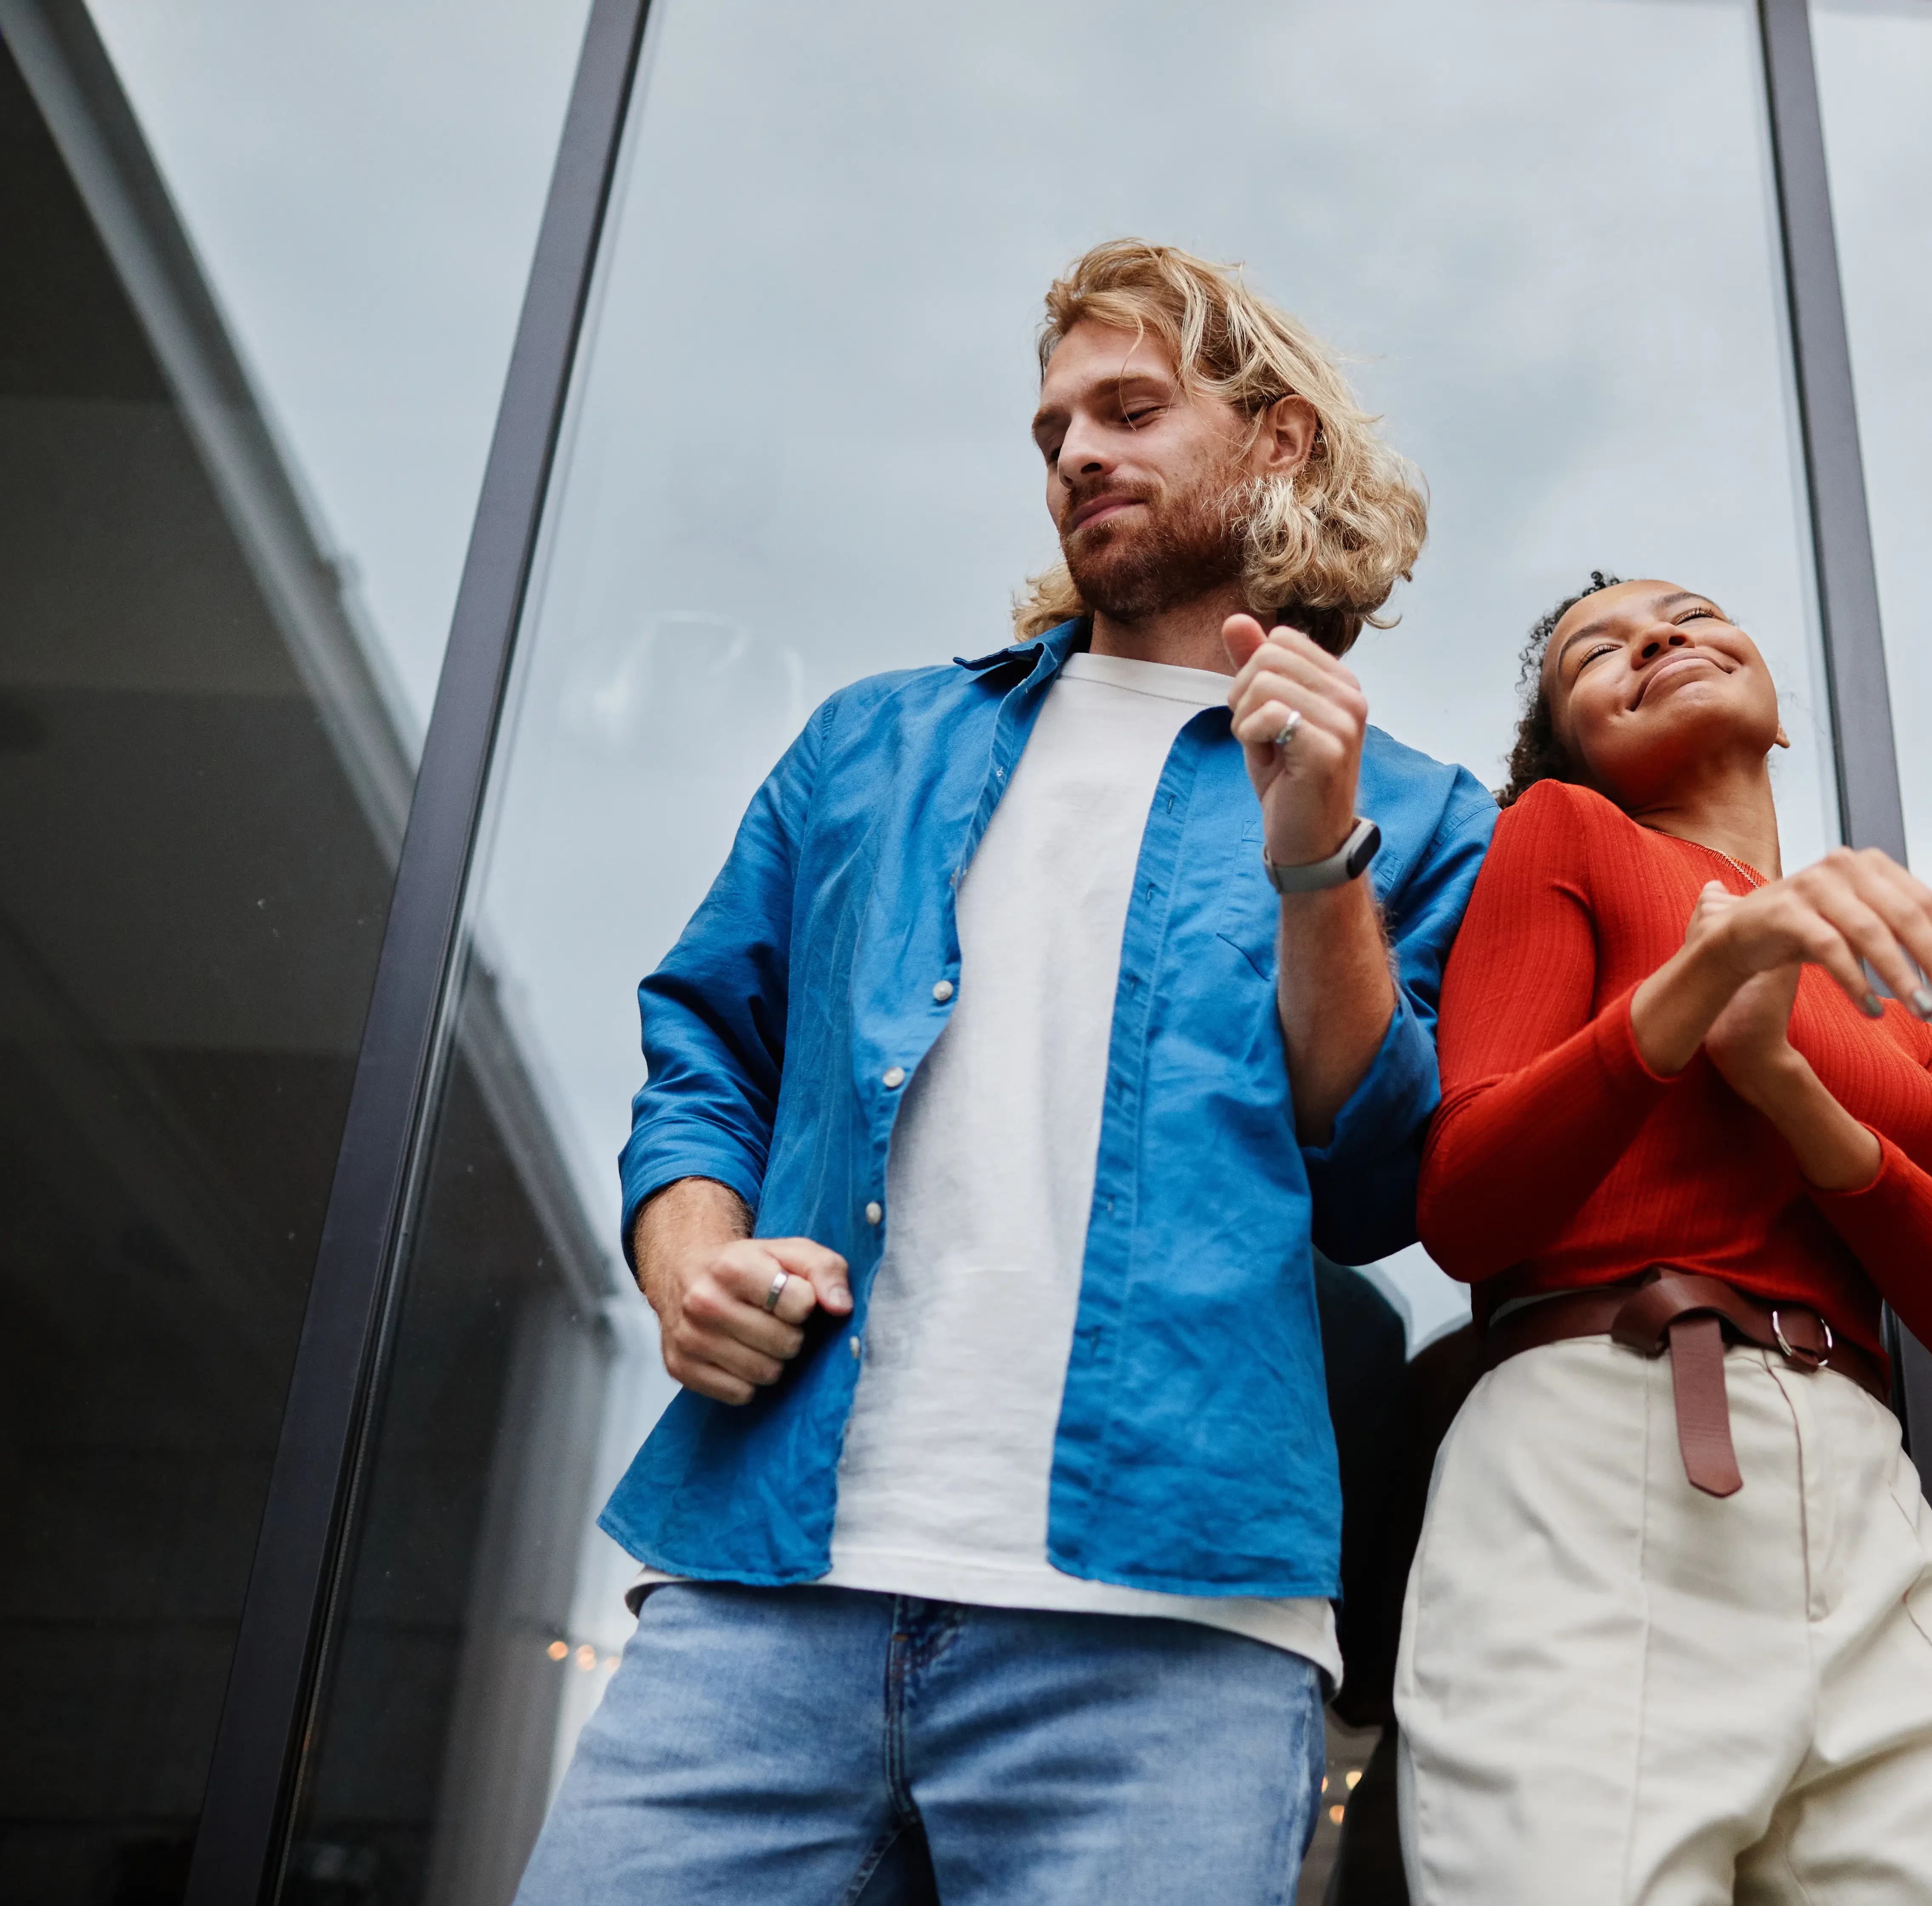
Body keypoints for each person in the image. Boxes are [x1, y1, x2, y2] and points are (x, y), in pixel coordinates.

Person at [511, 241, 1495, 1906]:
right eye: (1052, 433)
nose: (1078, 455)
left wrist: (1319, 858)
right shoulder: (873, 744)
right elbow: (704, 1044)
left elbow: (1385, 1177)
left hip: (1173, 1640)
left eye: (1130, 409)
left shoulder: (1421, 808)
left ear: (1278, 442)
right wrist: (685, 1259)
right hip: (761, 1597)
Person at [1397, 574, 1932, 1905]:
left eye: (1693, 615)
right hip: (1601, 1459)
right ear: (1573, 751)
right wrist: (1701, 983)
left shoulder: (1885, 1002)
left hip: (1864, 1507)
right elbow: (1466, 1205)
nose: (1657, 639)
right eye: (1596, 654)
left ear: (1778, 714)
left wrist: (1778, 1079)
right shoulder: (1566, 838)